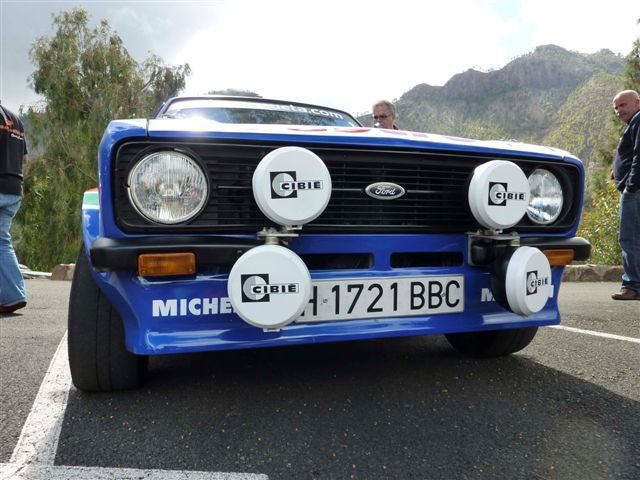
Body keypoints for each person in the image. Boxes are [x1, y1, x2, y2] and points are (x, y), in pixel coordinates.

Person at [610, 89, 640, 301]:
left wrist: (630, 186)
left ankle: (631, 286)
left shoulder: (638, 120)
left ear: (637, 103)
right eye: (616, 108)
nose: (619, 110)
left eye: (623, 105)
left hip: (635, 192)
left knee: (629, 239)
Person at [0, 102, 28, 314]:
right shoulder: (15, 119)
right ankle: (13, 296)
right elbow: (24, 158)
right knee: (2, 242)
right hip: (13, 188)